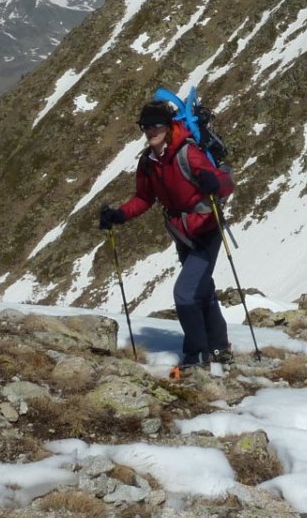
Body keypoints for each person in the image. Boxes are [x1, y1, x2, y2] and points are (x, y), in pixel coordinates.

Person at [98, 100, 233, 376]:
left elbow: (226, 183)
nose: (151, 131)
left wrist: (215, 184)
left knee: (184, 294)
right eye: (146, 127)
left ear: (169, 126)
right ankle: (219, 347)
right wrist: (119, 215)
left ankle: (196, 355)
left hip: (207, 228)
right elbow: (144, 197)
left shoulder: (188, 153)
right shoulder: (148, 162)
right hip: (183, 233)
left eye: (156, 125)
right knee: (201, 290)